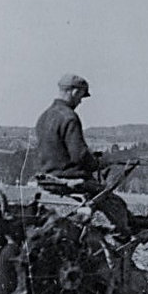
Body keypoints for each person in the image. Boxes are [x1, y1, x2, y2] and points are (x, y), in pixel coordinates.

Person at [35, 73, 136, 235]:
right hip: (69, 179)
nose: (80, 101)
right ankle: (121, 240)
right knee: (117, 204)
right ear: (74, 92)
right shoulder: (69, 117)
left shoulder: (44, 116)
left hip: (48, 179)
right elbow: (80, 156)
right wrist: (100, 162)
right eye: (81, 96)